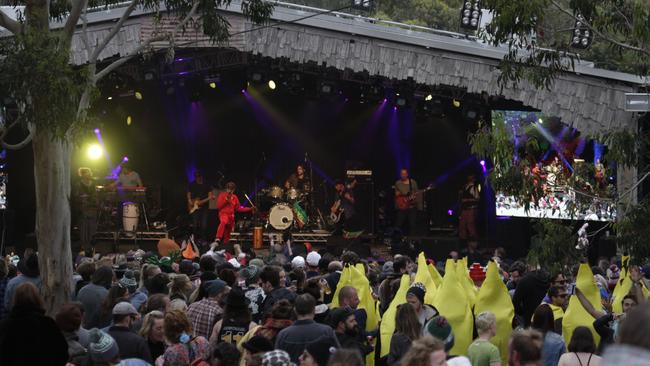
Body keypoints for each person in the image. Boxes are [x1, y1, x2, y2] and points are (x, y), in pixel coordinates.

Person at [0, 282, 69, 366]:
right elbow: (62, 352)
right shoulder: (47, 324)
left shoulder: (6, 325)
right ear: (37, 299)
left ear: (15, 299)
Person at [275, 294, 340, 363]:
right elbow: (338, 357)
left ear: (295, 310)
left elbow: (277, 361)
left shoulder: (283, 334)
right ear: (314, 310)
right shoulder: (326, 331)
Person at [214, 182, 254, 246]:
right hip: (224, 214)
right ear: (226, 188)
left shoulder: (235, 197)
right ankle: (218, 238)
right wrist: (226, 201)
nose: (230, 190)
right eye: (229, 188)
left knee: (227, 235)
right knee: (224, 221)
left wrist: (250, 208)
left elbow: (238, 208)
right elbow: (219, 207)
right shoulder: (222, 195)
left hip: (231, 217)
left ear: (233, 190)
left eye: (231, 189)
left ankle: (225, 247)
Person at [75, 167, 98, 251]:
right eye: (88, 173)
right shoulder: (79, 184)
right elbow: (76, 196)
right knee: (84, 228)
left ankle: (91, 246)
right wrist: (82, 198)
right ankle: (84, 246)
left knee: (92, 227)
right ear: (83, 174)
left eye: (90, 172)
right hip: (83, 208)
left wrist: (95, 200)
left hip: (92, 208)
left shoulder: (93, 184)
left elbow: (96, 196)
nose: (90, 174)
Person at [394, 168, 422, 236]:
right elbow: (396, 195)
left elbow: (417, 193)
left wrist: (414, 198)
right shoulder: (398, 183)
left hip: (411, 207)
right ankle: (397, 240)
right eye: (402, 174)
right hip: (402, 207)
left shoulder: (413, 182)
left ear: (407, 174)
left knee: (413, 225)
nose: (403, 175)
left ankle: (412, 242)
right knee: (398, 224)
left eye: (404, 174)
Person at [187, 170, 214, 243]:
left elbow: (210, 196)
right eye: (196, 177)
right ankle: (194, 240)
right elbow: (189, 193)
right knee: (195, 225)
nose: (197, 178)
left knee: (204, 225)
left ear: (201, 176)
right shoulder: (192, 184)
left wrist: (209, 198)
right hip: (194, 207)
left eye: (199, 176)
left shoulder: (207, 185)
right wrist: (189, 201)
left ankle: (203, 239)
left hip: (204, 208)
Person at [459, 174, 481, 253]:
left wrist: (467, 200)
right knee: (462, 226)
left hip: (471, 209)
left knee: (470, 226)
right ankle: (463, 245)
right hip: (464, 209)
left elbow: (477, 199)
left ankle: (474, 245)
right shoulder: (465, 186)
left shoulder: (474, 188)